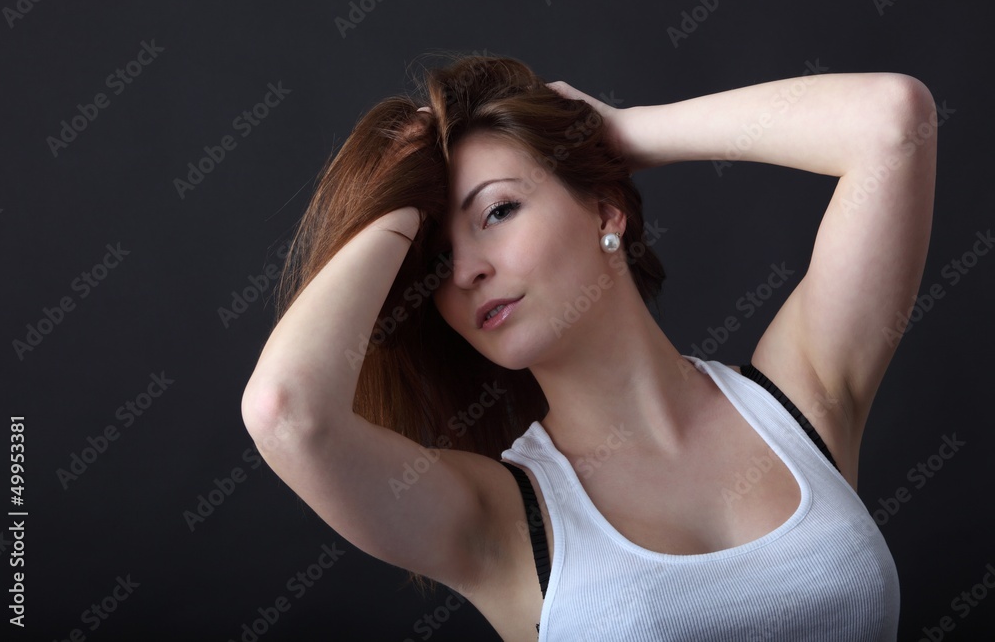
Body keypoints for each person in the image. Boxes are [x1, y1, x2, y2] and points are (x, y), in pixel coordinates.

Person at [241, 55, 936, 640]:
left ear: (606, 209)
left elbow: (894, 121)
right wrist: (397, 200)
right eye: (436, 258)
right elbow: (286, 413)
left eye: (498, 211)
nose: (465, 270)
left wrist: (621, 132)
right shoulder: (505, 520)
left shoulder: (802, 394)